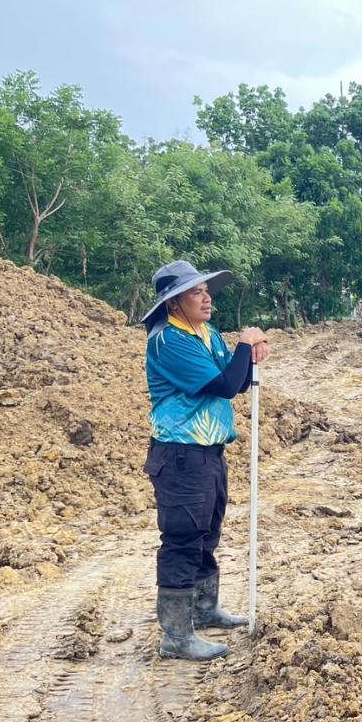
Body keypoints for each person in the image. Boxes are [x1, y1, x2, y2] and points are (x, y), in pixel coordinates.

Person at [141, 261, 271, 662]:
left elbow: (239, 379)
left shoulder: (205, 333)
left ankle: (203, 608)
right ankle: (177, 636)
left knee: (206, 532)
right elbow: (225, 386)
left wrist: (250, 355)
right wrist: (245, 346)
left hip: (208, 453)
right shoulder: (168, 341)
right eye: (196, 292)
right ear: (174, 302)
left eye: (205, 290)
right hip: (181, 455)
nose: (206, 296)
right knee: (182, 539)